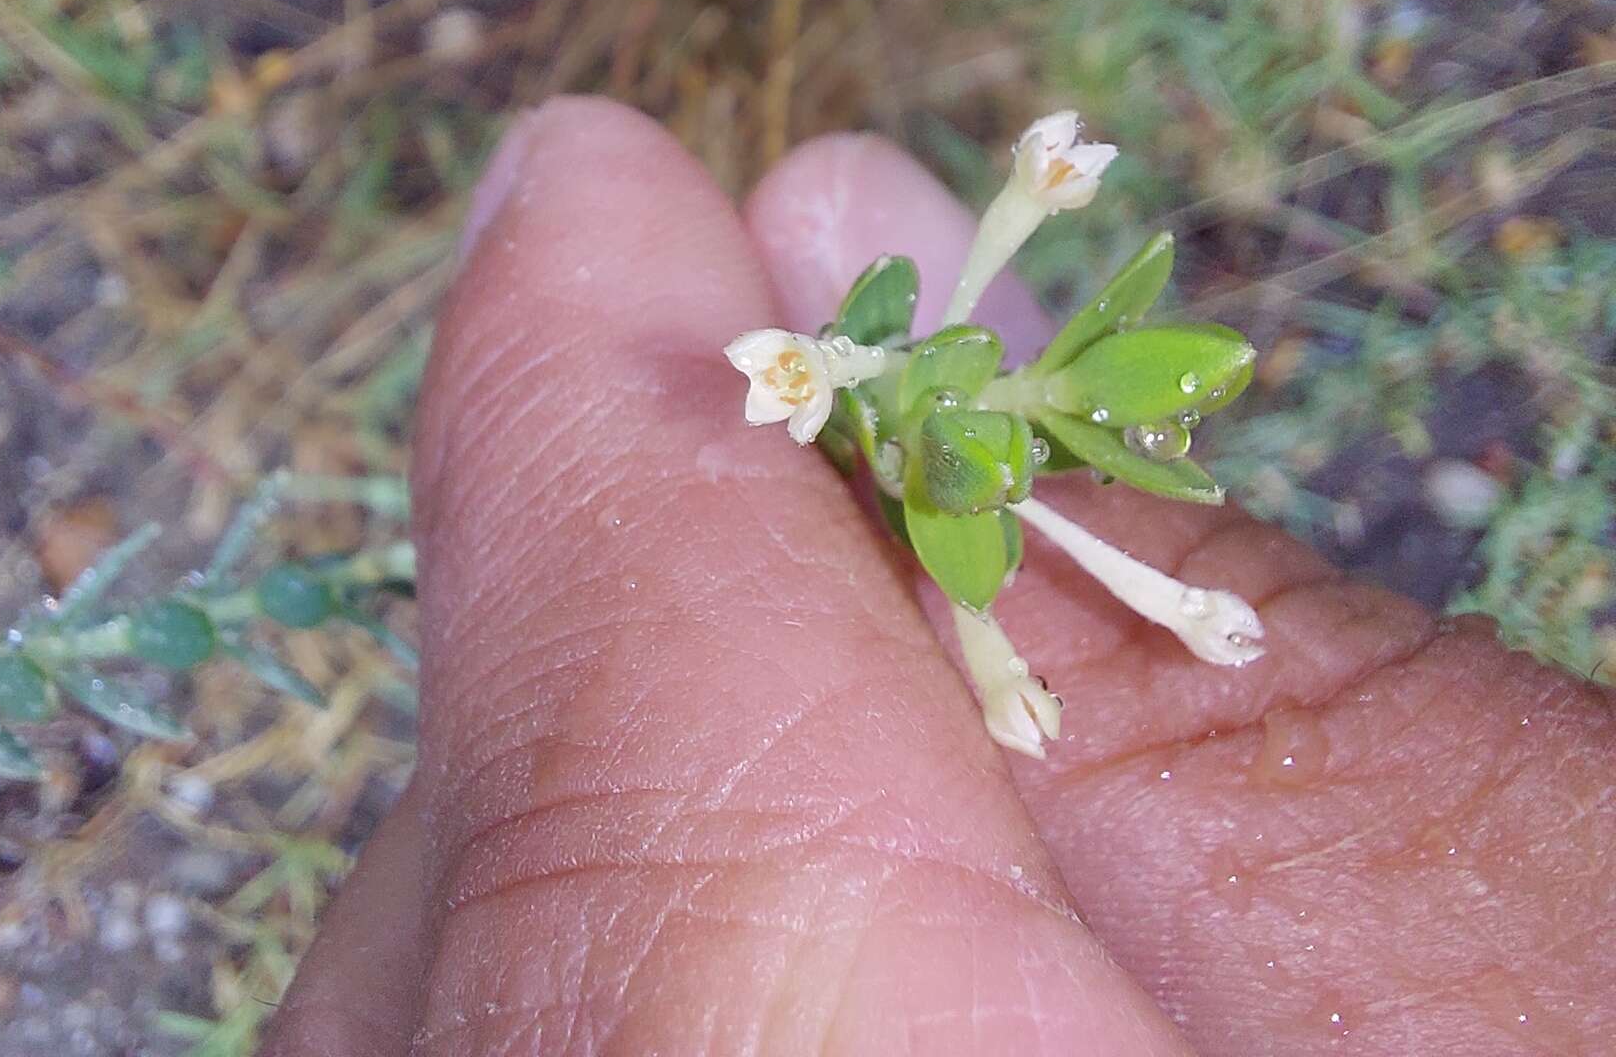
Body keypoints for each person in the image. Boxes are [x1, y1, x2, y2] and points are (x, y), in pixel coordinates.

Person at [266, 99, 1614, 1055]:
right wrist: (852, 389)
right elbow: (883, 397)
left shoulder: (961, 455)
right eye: (786, 377)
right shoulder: (827, 384)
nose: (787, 377)